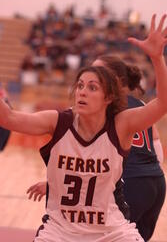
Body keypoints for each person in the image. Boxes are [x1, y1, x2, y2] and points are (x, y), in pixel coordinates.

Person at [1, 14, 167, 242]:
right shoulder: (58, 121)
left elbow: (163, 104)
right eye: (80, 85)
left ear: (109, 96)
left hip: (111, 231)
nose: (82, 91)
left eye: (92, 87)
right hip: (60, 231)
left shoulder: (121, 125)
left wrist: (157, 58)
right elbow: (8, 118)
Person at [92, 54, 166, 241]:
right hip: (156, 182)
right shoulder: (139, 103)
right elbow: (157, 149)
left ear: (116, 79)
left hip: (131, 183)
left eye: (98, 71)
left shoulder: (106, 105)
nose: (92, 74)